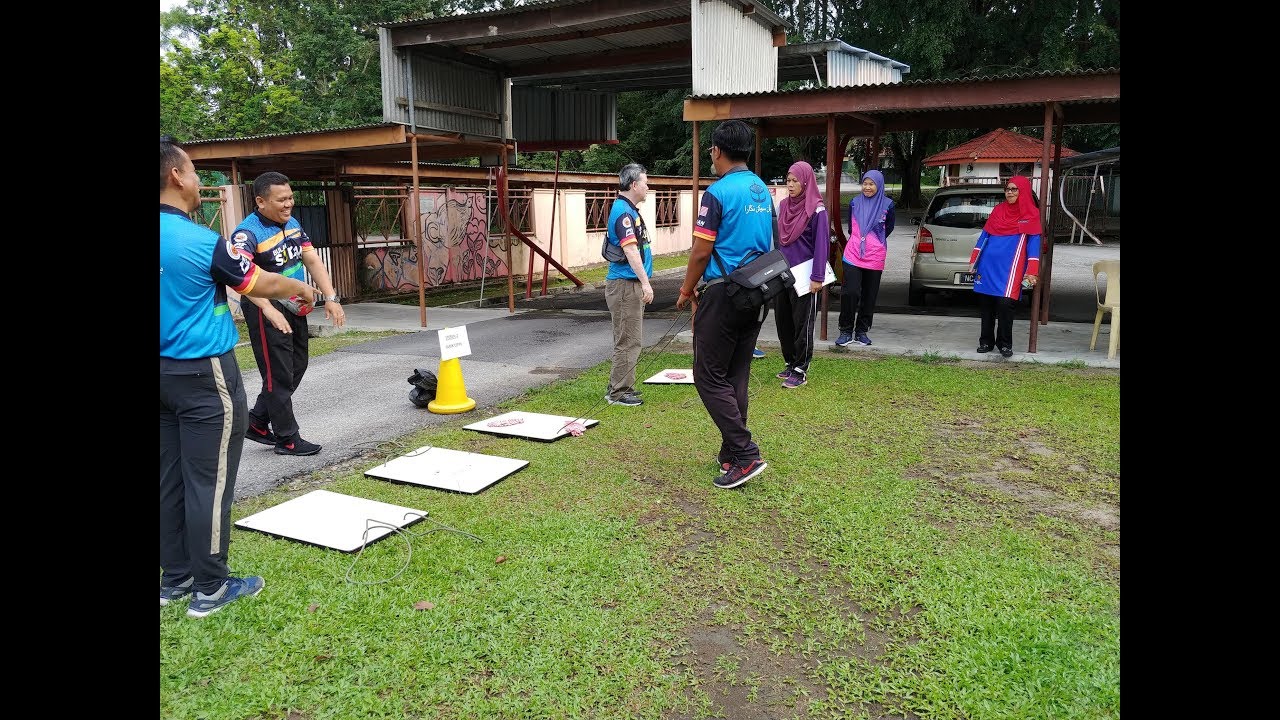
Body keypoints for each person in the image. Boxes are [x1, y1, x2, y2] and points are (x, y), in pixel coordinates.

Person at [161, 137, 317, 617]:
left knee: (169, 476)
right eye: (193, 171)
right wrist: (300, 288)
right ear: (176, 176)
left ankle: (175, 578)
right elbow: (255, 281)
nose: (199, 181)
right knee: (209, 477)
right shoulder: (200, 241)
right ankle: (211, 587)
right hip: (203, 370)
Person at [675, 120, 773, 490]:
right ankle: (732, 452)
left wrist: (686, 290)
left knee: (707, 375)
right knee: (735, 375)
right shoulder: (762, 189)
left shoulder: (717, 193)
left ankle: (746, 455)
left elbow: (701, 250)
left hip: (724, 292)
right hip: (758, 291)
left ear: (716, 150)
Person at [233, 171, 346, 456]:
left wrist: (330, 297)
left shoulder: (292, 224)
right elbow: (239, 277)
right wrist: (269, 309)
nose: (288, 205)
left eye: (291, 198)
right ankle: (287, 438)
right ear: (261, 201)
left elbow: (310, 258)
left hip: (295, 306)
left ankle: (257, 420)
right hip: (264, 308)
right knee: (277, 374)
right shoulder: (247, 234)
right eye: (281, 200)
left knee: (297, 364)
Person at [970, 175, 1041, 358]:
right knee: (986, 305)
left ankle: (1005, 344)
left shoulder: (1031, 214)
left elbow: (1034, 244)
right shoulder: (998, 210)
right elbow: (984, 235)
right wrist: (974, 260)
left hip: (1011, 269)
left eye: (1014, 189)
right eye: (1007, 189)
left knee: (1005, 304)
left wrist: (1032, 271)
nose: (1009, 192)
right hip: (988, 265)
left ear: (1023, 191)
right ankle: (985, 342)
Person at [773, 160, 829, 388]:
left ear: (807, 181)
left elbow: (821, 245)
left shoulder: (817, 210)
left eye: (796, 180)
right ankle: (789, 362)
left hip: (805, 276)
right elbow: (778, 241)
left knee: (802, 323)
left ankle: (801, 368)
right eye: (788, 180)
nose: (791, 184)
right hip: (783, 274)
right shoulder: (784, 206)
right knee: (783, 321)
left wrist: (818, 277)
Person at [603, 163, 655, 407]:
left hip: (625, 284)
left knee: (625, 337)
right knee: (628, 340)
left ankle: (619, 385)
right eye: (645, 182)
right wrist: (646, 284)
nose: (647, 187)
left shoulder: (627, 209)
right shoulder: (624, 213)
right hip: (626, 285)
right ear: (634, 185)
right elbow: (631, 251)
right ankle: (619, 392)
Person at [835, 169, 895, 348]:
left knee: (869, 295)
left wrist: (873, 242)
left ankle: (861, 331)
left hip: (875, 256)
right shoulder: (854, 202)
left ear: (879, 184)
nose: (867, 187)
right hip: (853, 254)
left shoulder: (888, 204)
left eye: (872, 184)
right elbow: (851, 229)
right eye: (865, 183)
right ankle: (845, 330)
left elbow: (888, 228)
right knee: (850, 292)